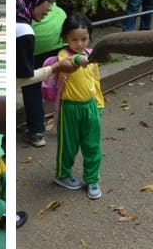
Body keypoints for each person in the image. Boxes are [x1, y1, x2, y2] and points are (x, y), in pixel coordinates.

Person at [52, 12, 105, 200]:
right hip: (69, 108)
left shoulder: (92, 57)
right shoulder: (63, 55)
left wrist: (99, 103)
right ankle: (62, 174)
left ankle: (92, 179)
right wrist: (77, 59)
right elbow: (67, 63)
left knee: (92, 145)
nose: (80, 44)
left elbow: (96, 81)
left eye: (84, 39)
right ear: (66, 38)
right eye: (74, 39)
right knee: (68, 145)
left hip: (90, 107)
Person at [16, 0, 61, 147]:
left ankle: (35, 131)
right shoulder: (23, 31)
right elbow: (23, 80)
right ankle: (36, 131)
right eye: (48, 1)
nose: (50, 8)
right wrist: (54, 68)